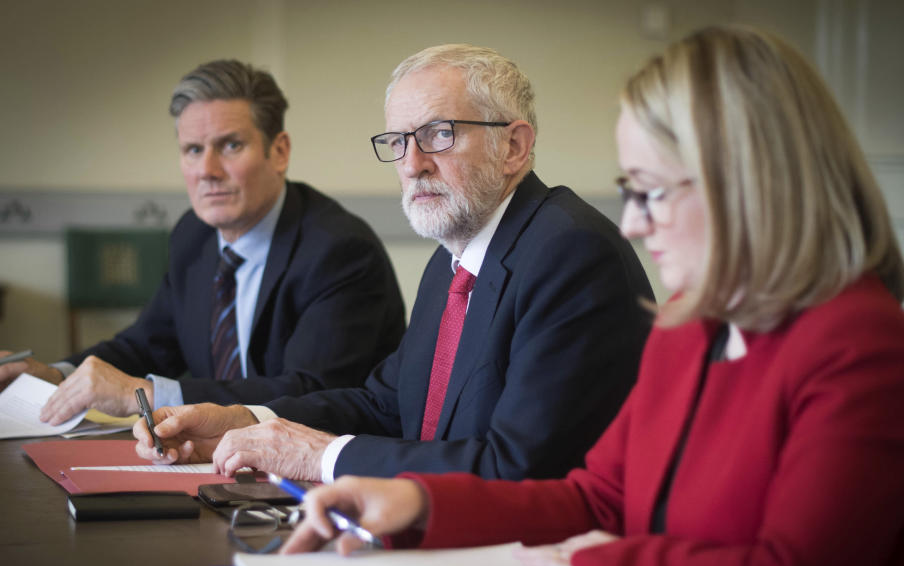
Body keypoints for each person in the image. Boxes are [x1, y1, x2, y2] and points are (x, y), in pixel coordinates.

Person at [280, 27, 904, 566]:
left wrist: (598, 557)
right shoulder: (689, 328)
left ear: (753, 183)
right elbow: (594, 497)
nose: (631, 223)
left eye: (653, 191)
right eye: (629, 191)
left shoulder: (864, 347)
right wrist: (416, 499)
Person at [132, 44, 654, 482]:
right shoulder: (450, 261)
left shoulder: (572, 253)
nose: (412, 163)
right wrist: (243, 422)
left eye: (439, 134)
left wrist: (321, 457)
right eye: (398, 141)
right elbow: (387, 405)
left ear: (513, 146)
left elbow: (516, 465)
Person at [0, 59, 406, 423]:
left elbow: (313, 392)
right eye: (193, 150)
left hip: (324, 473)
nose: (207, 170)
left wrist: (145, 395)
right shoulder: (193, 236)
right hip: (224, 462)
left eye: (230, 145)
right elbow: (147, 345)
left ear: (279, 151)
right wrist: (56, 375)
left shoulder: (340, 250)